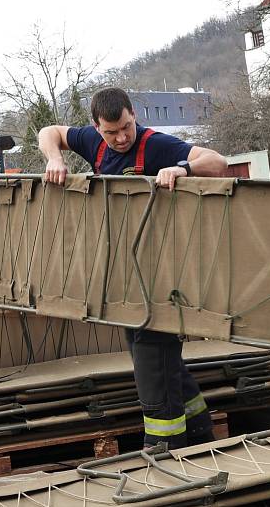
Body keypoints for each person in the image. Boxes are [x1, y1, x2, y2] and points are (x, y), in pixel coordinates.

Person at [38, 87, 227, 449]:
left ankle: (165, 447)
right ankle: (200, 426)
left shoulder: (155, 145)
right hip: (124, 273)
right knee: (160, 356)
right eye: (112, 132)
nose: (122, 137)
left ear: (133, 115)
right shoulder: (91, 141)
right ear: (97, 127)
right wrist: (54, 160)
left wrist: (182, 167)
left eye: (126, 126)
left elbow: (218, 163)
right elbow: (50, 133)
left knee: (151, 358)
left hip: (160, 275)